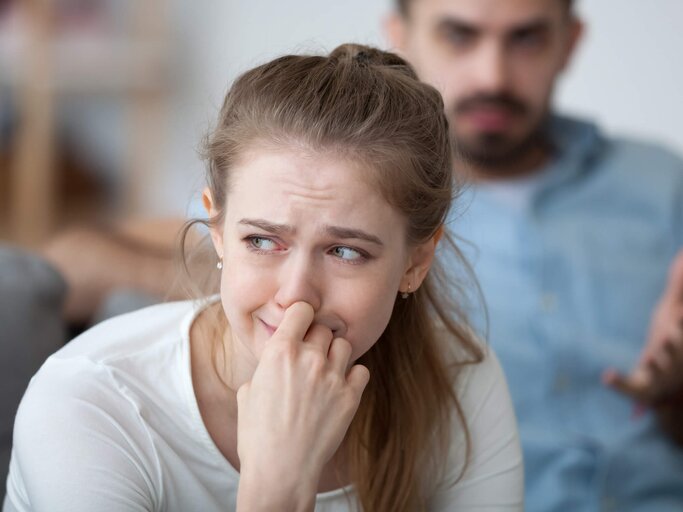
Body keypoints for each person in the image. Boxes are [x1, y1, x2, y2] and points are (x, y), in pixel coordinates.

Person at [3, 44, 523, 511]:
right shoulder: (91, 401)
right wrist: (279, 480)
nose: (296, 293)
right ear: (219, 230)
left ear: (416, 262)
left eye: (345, 251)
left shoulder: (461, 380)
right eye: (262, 241)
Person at [384, 0, 683, 510]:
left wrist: (675, 394)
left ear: (570, 44)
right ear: (401, 38)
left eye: (526, 39)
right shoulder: (350, 215)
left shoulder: (664, 183)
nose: (493, 76)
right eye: (459, 36)